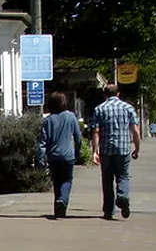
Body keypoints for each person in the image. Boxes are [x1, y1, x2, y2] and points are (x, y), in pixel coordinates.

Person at [90, 84, 141, 220]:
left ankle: (108, 210)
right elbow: (135, 130)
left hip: (106, 149)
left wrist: (95, 150)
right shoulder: (128, 108)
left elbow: (96, 132)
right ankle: (122, 196)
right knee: (123, 176)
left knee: (107, 179)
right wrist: (137, 148)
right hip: (123, 149)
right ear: (118, 94)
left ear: (104, 95)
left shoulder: (99, 109)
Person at [38, 92, 84, 218]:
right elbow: (78, 137)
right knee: (67, 180)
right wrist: (78, 151)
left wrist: (41, 159)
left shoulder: (47, 120)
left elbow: (42, 142)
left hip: (53, 156)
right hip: (68, 155)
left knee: (57, 181)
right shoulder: (71, 117)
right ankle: (62, 201)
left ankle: (59, 208)